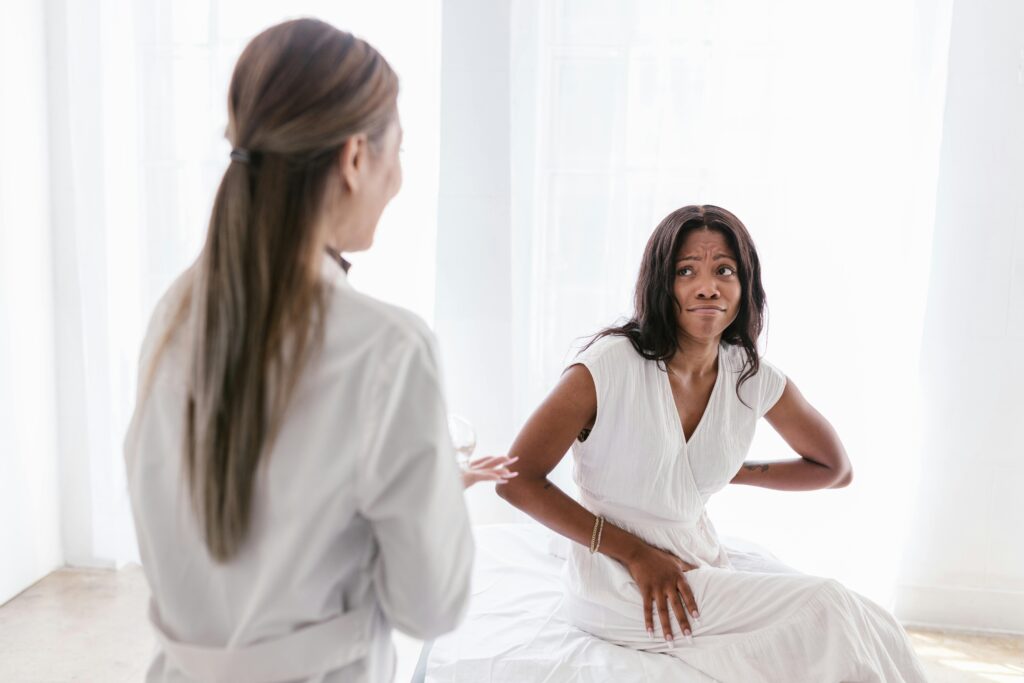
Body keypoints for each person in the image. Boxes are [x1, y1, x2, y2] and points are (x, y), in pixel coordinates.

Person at [124, 19, 511, 683]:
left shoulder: (175, 312)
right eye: (399, 152)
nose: (400, 180)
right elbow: (431, 605)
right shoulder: (390, 348)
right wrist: (434, 493)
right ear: (356, 158)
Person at [497, 205, 927, 681]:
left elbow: (834, 469)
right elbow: (515, 479)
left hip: (697, 560)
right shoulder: (608, 365)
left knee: (873, 621)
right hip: (619, 584)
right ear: (662, 284)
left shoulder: (750, 375)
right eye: (686, 271)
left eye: (724, 270)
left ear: (746, 286)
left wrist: (726, 470)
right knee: (827, 606)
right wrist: (638, 554)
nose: (707, 286)